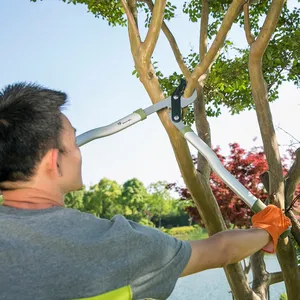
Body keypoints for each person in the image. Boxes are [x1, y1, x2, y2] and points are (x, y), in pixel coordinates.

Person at [0, 82, 291, 300]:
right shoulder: (117, 245)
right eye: (75, 142)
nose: (80, 152)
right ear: (54, 162)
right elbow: (220, 250)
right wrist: (267, 230)